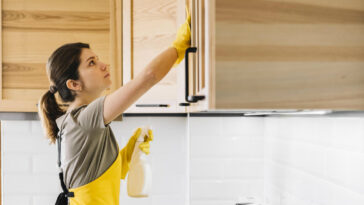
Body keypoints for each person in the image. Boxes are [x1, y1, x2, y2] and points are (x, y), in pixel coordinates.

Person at [37, 7, 191, 205]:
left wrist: (129, 152)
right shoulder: (83, 119)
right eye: (92, 63)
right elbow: (148, 77)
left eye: (98, 59)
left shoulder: (80, 122)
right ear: (74, 84)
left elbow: (101, 179)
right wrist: (179, 47)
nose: (104, 65)